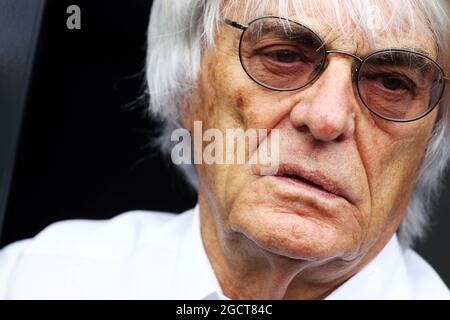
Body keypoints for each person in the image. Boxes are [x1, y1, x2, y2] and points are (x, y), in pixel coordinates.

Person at [1, 0, 450, 299]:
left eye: (392, 82)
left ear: (430, 139)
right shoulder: (35, 280)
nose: (327, 118)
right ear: (187, 84)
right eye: (283, 56)